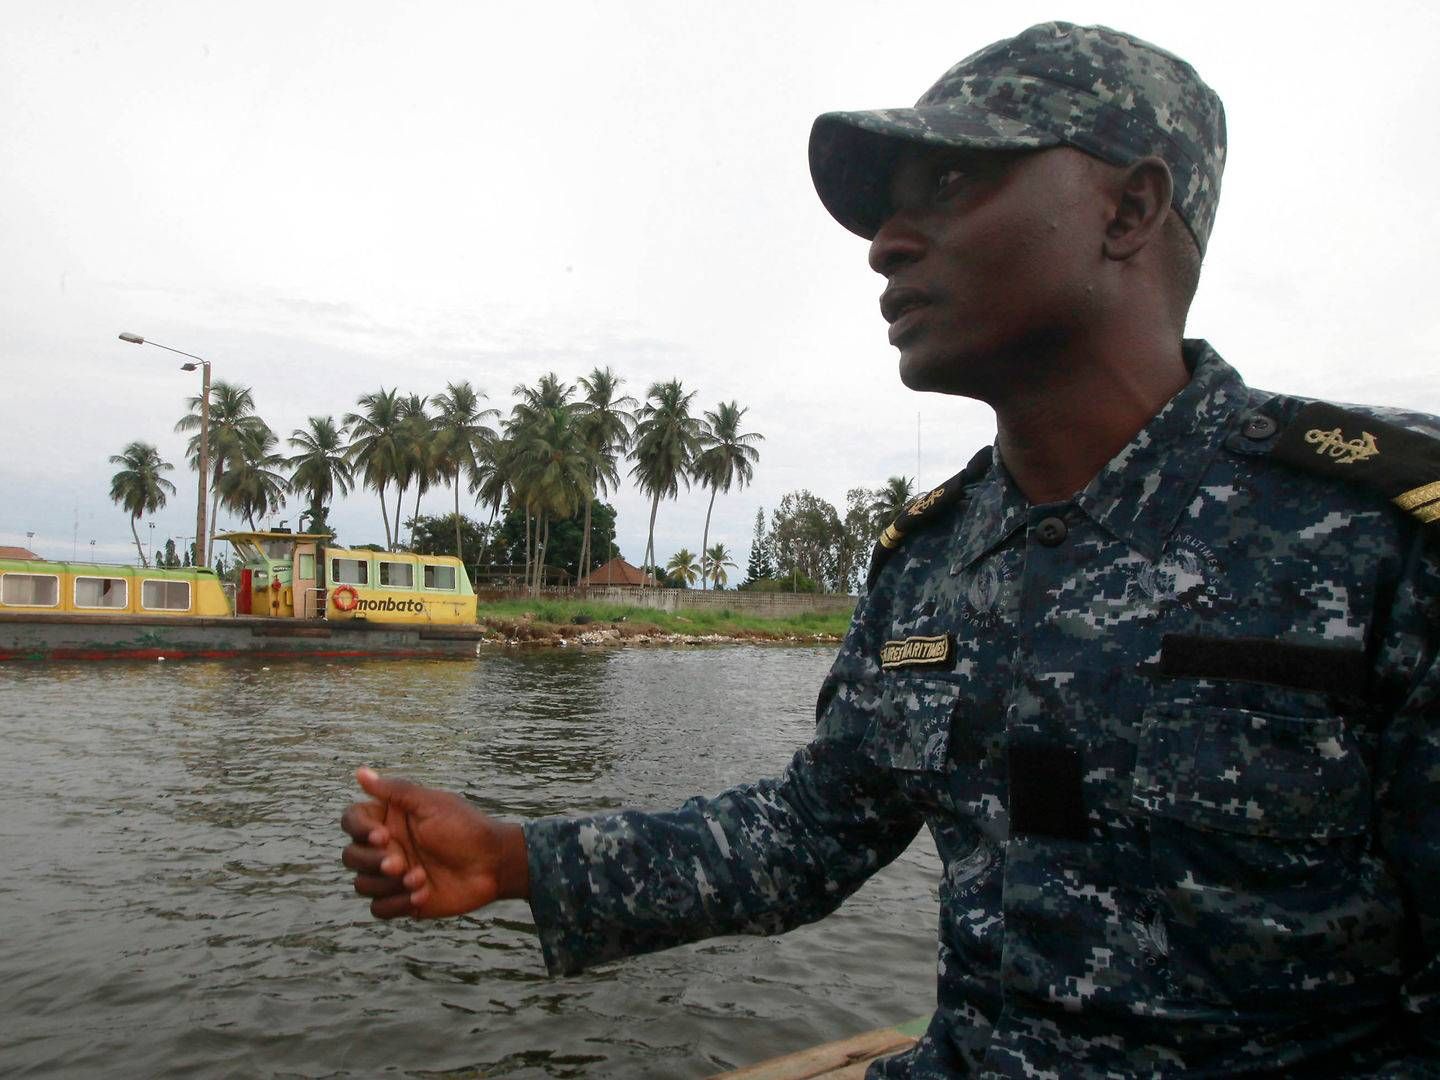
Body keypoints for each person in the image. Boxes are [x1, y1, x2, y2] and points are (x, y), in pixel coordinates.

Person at [342, 22, 1440, 1076]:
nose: (886, 243)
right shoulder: (930, 561)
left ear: (1130, 208)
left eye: (955, 186)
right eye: (893, 209)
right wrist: (516, 860)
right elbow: (806, 834)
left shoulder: (1375, 535)